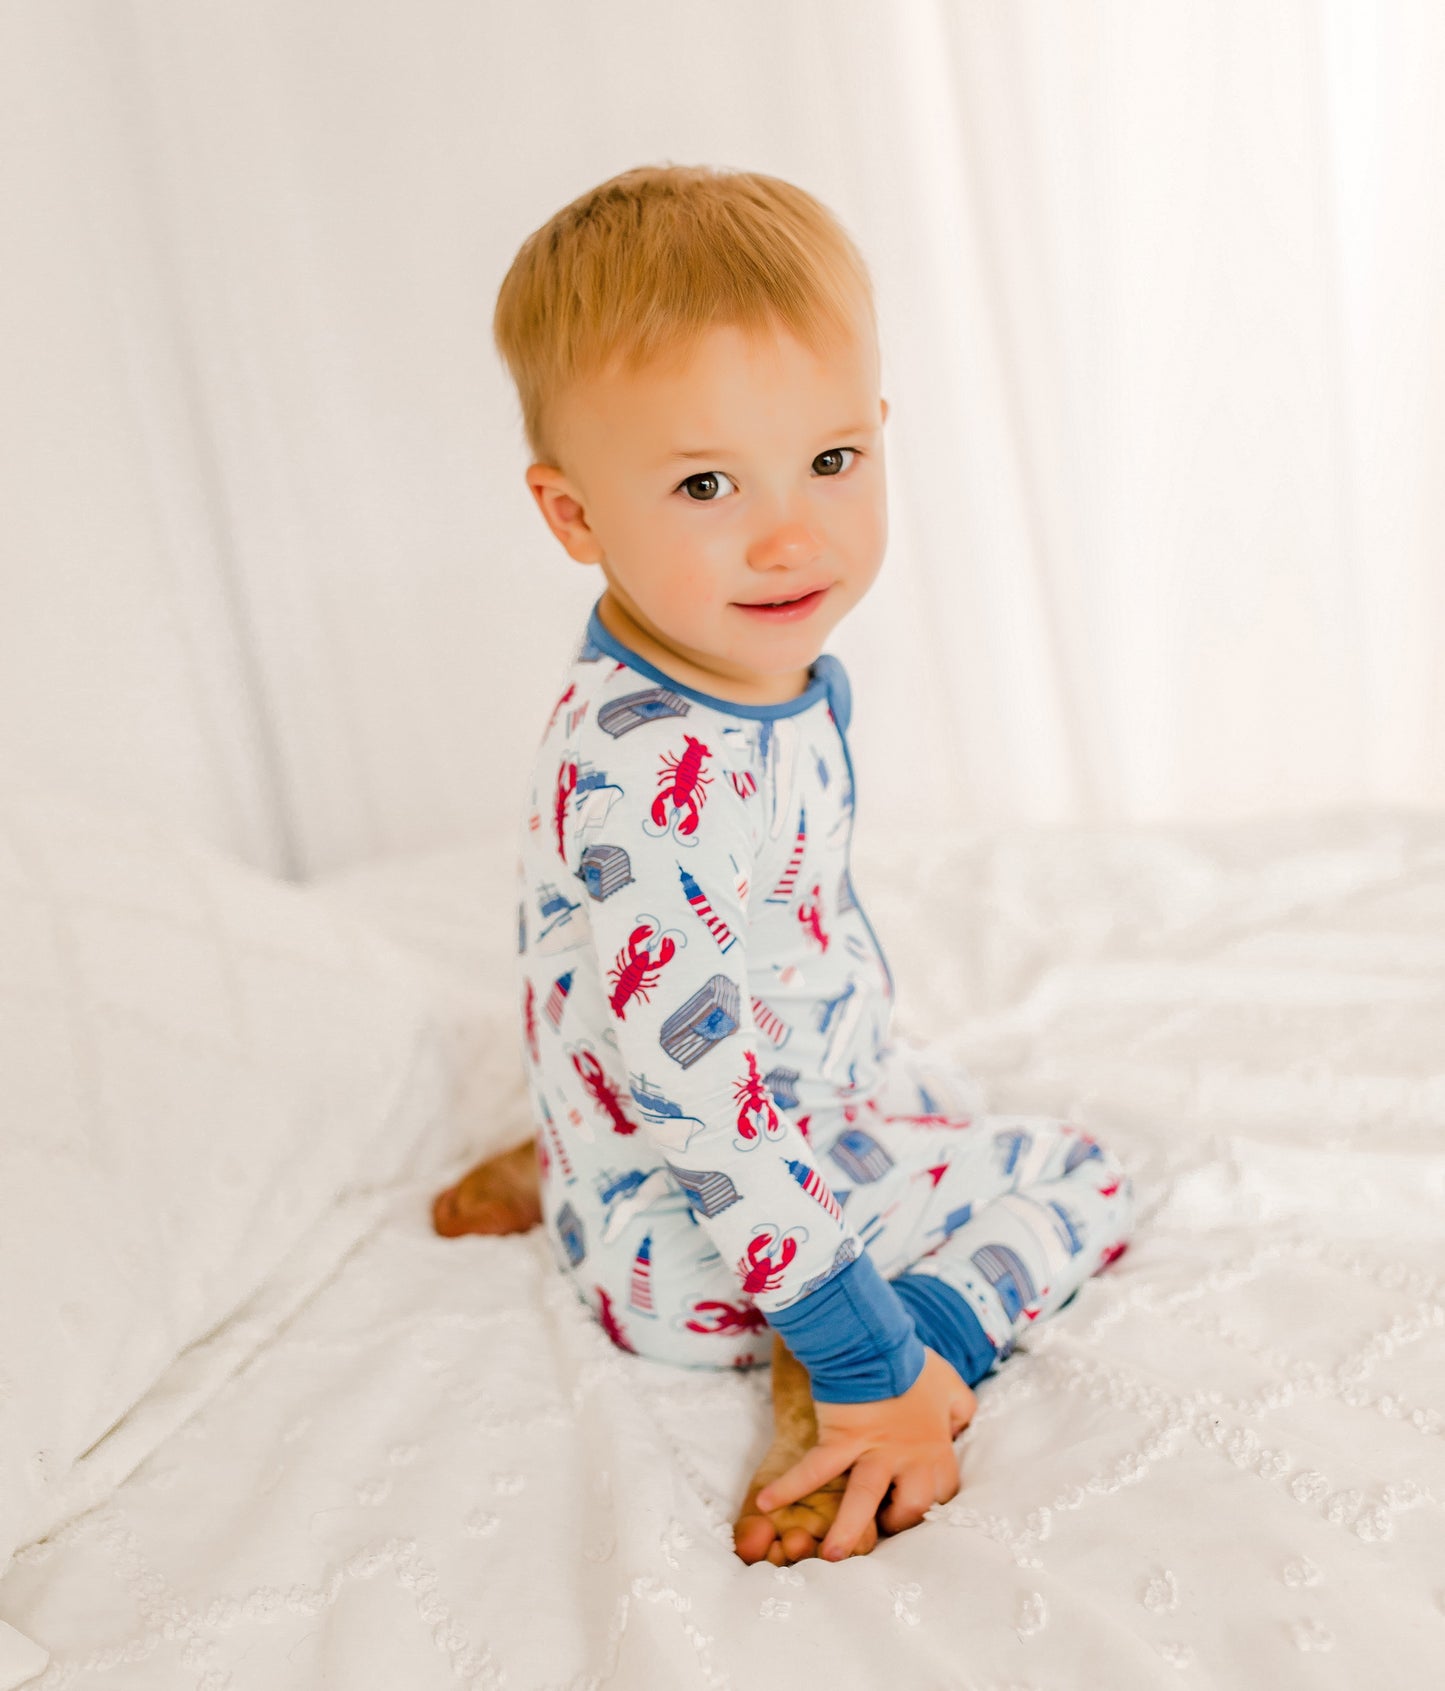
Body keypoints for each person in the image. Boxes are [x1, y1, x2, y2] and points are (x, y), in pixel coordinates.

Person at [433, 164, 1135, 1568]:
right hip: (710, 1246)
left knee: (923, 1084)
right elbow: (701, 1072)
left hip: (749, 1095)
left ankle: (580, 1147)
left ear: (879, 432)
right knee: (1082, 1172)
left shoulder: (727, 658)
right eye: (703, 482)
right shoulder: (644, 779)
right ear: (573, 518)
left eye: (830, 461)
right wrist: (863, 1353)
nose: (790, 534)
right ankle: (872, 1353)